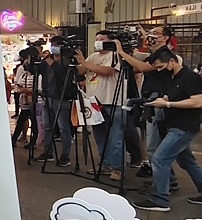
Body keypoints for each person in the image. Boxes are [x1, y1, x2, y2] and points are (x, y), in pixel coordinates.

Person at [133, 48, 202, 212]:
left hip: (184, 127)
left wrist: (168, 104)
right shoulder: (171, 78)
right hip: (174, 124)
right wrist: (161, 100)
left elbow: (197, 102)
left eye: (160, 67)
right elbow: (174, 96)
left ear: (172, 61)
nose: (159, 71)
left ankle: (160, 199)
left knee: (160, 158)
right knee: (187, 161)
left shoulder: (190, 77)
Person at [115, 26, 182, 181]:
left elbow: (141, 67)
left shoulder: (164, 54)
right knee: (153, 143)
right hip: (149, 98)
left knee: (154, 146)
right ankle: (165, 180)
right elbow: (135, 69)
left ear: (165, 38)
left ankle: (166, 183)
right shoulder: (154, 54)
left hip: (158, 99)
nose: (151, 36)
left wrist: (122, 52)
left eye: (155, 33)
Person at [75, 31, 125, 181]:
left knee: (116, 137)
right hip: (94, 102)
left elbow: (107, 71)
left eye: (101, 39)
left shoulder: (114, 55)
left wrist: (84, 62)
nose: (98, 42)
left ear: (110, 41)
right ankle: (105, 163)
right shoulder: (93, 57)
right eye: (96, 39)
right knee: (100, 136)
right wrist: (71, 61)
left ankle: (117, 168)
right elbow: (81, 70)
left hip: (112, 101)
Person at [34, 38, 76, 167]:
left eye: (56, 45)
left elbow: (61, 71)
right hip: (48, 97)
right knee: (47, 126)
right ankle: (48, 152)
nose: (53, 47)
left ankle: (65, 155)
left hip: (61, 98)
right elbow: (34, 70)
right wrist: (33, 58)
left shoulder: (67, 60)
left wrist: (46, 57)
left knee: (64, 128)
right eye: (52, 45)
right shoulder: (48, 61)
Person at [11, 52, 35, 147]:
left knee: (34, 123)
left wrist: (27, 90)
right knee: (21, 121)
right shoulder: (24, 76)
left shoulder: (37, 77)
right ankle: (14, 139)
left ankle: (32, 141)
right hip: (25, 103)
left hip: (34, 102)